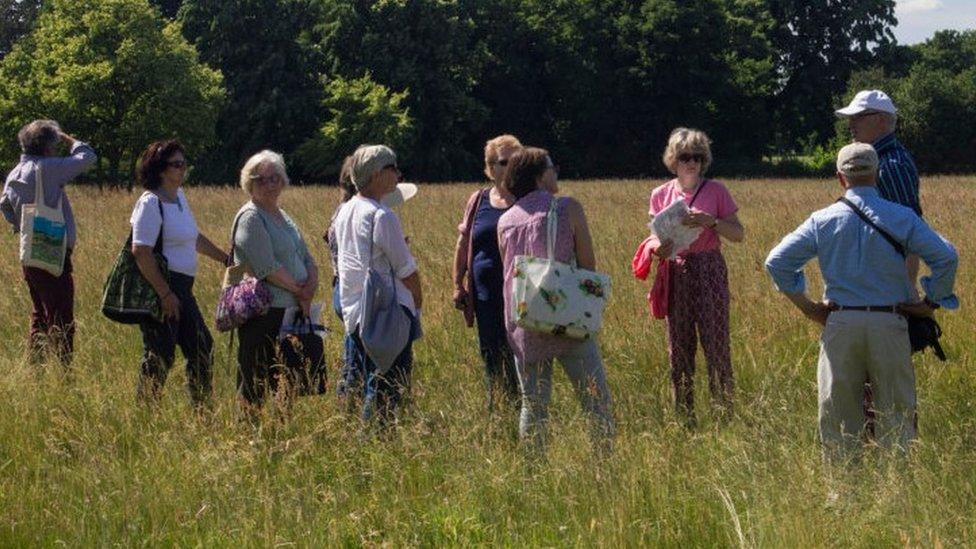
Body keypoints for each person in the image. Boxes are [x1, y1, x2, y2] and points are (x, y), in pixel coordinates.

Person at [765, 143, 958, 463]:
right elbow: (946, 257)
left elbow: (777, 262)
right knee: (896, 414)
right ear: (877, 174)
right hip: (890, 322)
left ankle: (843, 497)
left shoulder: (822, 220)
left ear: (840, 178)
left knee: (838, 416)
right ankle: (895, 495)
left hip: (840, 324)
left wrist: (809, 307)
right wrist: (931, 302)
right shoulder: (902, 217)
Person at [497, 147, 614, 450]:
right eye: (551, 167)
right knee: (596, 402)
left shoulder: (505, 221)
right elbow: (588, 266)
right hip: (567, 317)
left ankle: (534, 474)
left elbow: (509, 272)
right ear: (539, 176)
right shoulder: (568, 207)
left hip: (525, 322)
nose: (556, 171)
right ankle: (606, 470)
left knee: (533, 406)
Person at [836, 89, 923, 430]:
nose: (852, 124)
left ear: (883, 121)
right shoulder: (878, 161)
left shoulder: (894, 165)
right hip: (872, 291)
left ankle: (887, 458)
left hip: (886, 294)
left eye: (859, 117)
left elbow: (910, 234)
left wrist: (905, 289)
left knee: (886, 390)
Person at [647, 128, 744, 419]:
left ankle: (723, 413)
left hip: (709, 269)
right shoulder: (661, 194)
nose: (692, 163)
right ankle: (684, 415)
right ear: (673, 159)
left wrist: (711, 221)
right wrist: (658, 249)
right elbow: (654, 237)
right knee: (679, 347)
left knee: (716, 343)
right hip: (676, 269)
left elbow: (738, 234)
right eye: (685, 156)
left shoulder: (716, 191)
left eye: (698, 157)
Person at [129, 140, 228, 405]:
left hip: (183, 289)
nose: (183, 169)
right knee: (160, 354)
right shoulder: (150, 203)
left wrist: (225, 259)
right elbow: (141, 252)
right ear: (160, 169)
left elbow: (193, 238)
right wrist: (164, 293)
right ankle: (145, 414)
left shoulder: (179, 198)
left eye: (184, 163)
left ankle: (202, 410)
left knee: (201, 347)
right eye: (176, 164)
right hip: (161, 288)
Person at [333, 144, 422, 424]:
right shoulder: (382, 215)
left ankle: (363, 441)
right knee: (386, 387)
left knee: (365, 380)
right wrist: (417, 302)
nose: (398, 173)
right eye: (391, 167)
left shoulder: (346, 211)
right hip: (386, 313)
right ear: (375, 175)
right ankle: (374, 445)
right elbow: (406, 270)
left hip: (356, 311)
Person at [1, 120, 96, 367]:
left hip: (29, 250)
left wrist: (21, 226)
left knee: (40, 314)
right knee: (62, 317)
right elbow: (87, 157)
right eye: (55, 145)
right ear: (47, 147)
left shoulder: (15, 172)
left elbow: (5, 206)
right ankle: (64, 373)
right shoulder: (49, 167)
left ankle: (37, 368)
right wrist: (70, 139)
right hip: (53, 250)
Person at [232, 150, 320, 414]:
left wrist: (310, 286)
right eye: (261, 179)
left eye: (275, 178)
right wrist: (301, 291)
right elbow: (267, 267)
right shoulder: (251, 217)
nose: (270, 184)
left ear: (283, 180)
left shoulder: (283, 216)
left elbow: (307, 258)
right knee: (255, 381)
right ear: (249, 183)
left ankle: (281, 437)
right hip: (264, 311)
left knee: (290, 379)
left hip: (294, 309)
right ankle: (249, 440)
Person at [452, 134, 523, 412]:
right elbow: (463, 242)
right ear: (490, 167)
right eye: (505, 162)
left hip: (521, 296)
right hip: (484, 297)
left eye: (516, 161)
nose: (511, 167)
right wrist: (458, 284)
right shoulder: (478, 199)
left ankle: (523, 410)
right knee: (492, 355)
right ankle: (500, 409)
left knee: (520, 356)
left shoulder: (527, 198)